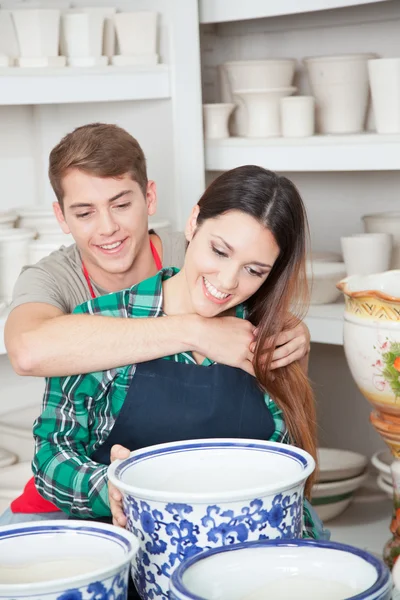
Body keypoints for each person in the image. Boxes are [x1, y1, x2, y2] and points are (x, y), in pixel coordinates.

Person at [1, 124, 311, 526]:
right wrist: (194, 329)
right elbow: (28, 351)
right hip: (84, 515)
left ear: (150, 197)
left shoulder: (249, 316)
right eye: (85, 212)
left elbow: (287, 461)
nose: (108, 227)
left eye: (121, 204)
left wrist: (291, 341)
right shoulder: (69, 296)